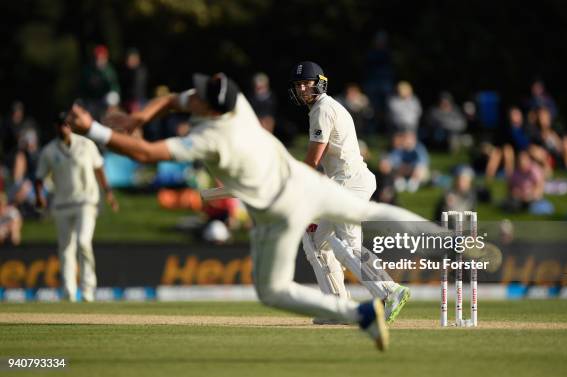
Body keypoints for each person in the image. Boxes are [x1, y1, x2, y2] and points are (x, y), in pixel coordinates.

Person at [66, 72, 480, 351]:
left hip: (295, 197)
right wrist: (141, 115)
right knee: (351, 227)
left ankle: (364, 305)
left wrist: (96, 130)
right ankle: (442, 244)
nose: (191, 103)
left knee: (283, 280)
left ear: (209, 111)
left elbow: (144, 151)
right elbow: (182, 98)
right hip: (318, 184)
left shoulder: (210, 140)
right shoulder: (241, 106)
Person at [288, 61, 410, 325]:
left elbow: (313, 159)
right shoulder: (321, 109)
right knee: (316, 241)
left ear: (319, 83)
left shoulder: (323, 109)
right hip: (340, 184)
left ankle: (390, 292)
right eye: (298, 85)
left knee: (347, 245)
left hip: (350, 183)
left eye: (306, 83)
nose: (301, 89)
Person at [35, 112, 119, 302]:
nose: (63, 127)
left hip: (86, 202)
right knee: (66, 249)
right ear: (56, 127)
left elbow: (99, 168)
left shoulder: (86, 144)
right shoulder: (49, 151)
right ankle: (69, 292)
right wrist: (39, 197)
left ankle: (88, 290)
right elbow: (39, 177)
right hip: (62, 204)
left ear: (70, 126)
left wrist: (109, 194)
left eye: (66, 124)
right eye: (60, 124)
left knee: (83, 242)